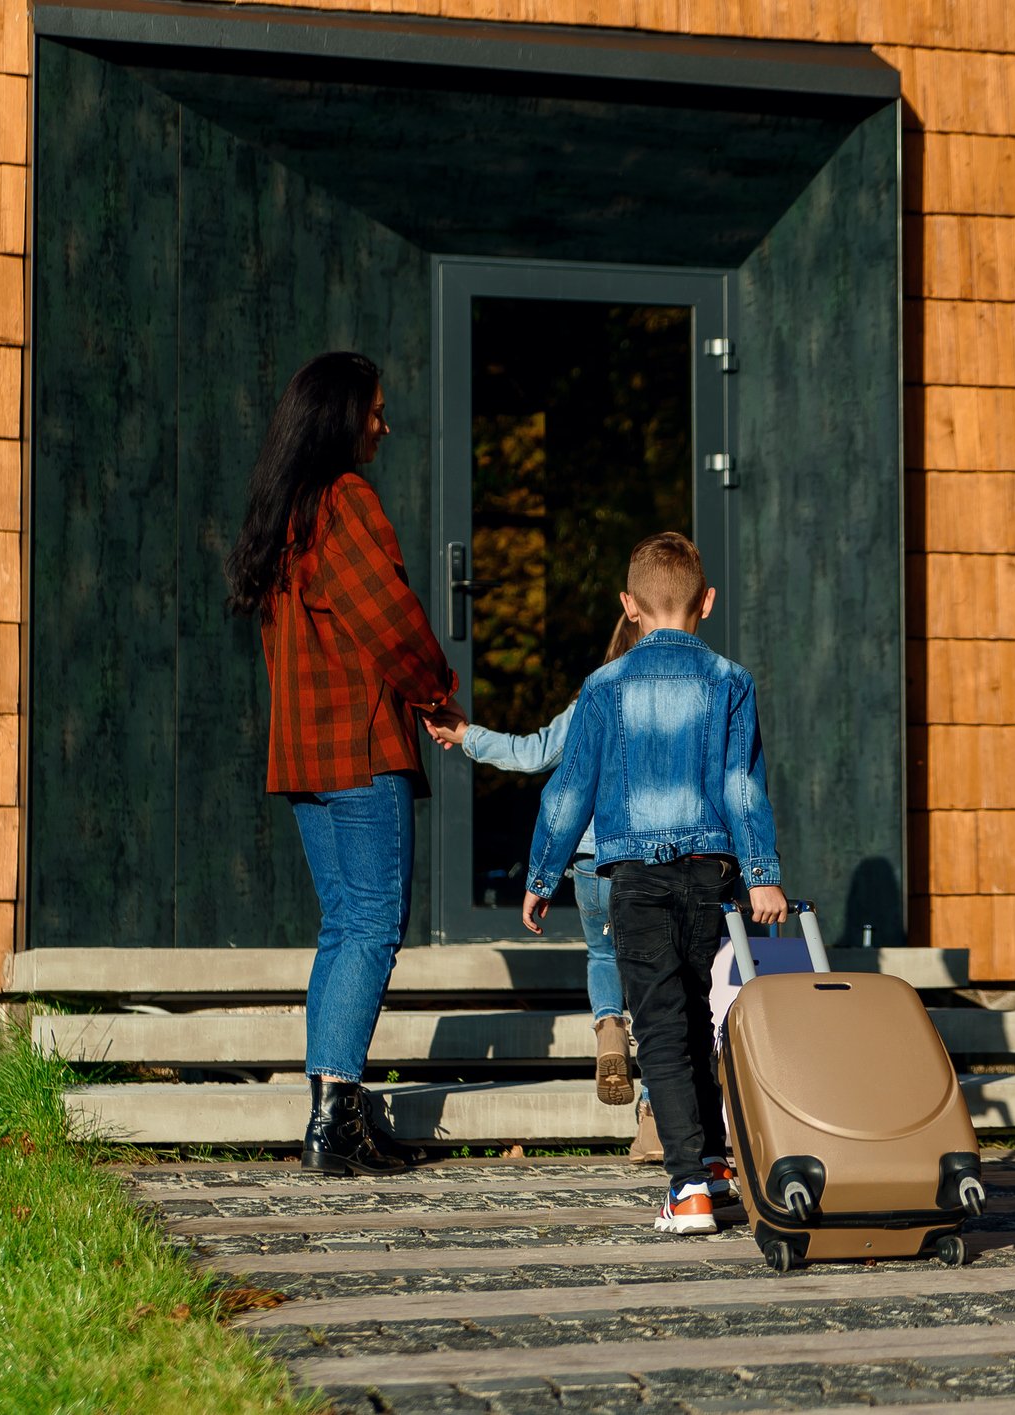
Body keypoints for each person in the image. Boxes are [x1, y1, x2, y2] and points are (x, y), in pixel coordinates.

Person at [225, 351, 456, 1178]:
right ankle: (335, 1123)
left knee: (343, 925)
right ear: (341, 416)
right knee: (370, 926)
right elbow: (388, 616)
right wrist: (437, 692)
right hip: (358, 746)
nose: (384, 426)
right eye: (376, 412)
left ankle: (332, 1115)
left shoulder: (282, 514)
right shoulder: (343, 502)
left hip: (303, 753)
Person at [520, 532, 788, 1235]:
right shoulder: (731, 680)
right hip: (710, 875)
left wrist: (542, 873)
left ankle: (688, 1187)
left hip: (635, 881)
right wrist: (762, 875)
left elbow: (568, 789)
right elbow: (741, 785)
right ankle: (719, 1165)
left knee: (661, 1030)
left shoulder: (602, 688)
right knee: (706, 1022)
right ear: (706, 600)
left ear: (628, 606)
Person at [425, 617, 652, 1116]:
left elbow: (533, 754)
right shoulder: (680, 701)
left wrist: (466, 735)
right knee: (658, 980)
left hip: (594, 862)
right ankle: (655, 1111)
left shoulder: (591, 699)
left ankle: (610, 1024)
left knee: (602, 956)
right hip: (651, 862)